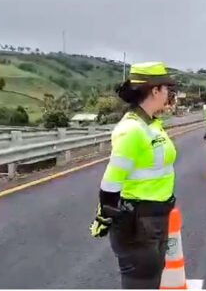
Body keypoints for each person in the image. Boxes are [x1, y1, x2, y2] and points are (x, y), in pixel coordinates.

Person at [89, 61, 178, 289]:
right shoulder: (131, 130)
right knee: (141, 283)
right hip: (138, 224)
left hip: (155, 219)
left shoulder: (151, 125)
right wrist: (107, 212)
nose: (169, 94)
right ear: (155, 90)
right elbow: (110, 183)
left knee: (151, 281)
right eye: (167, 88)